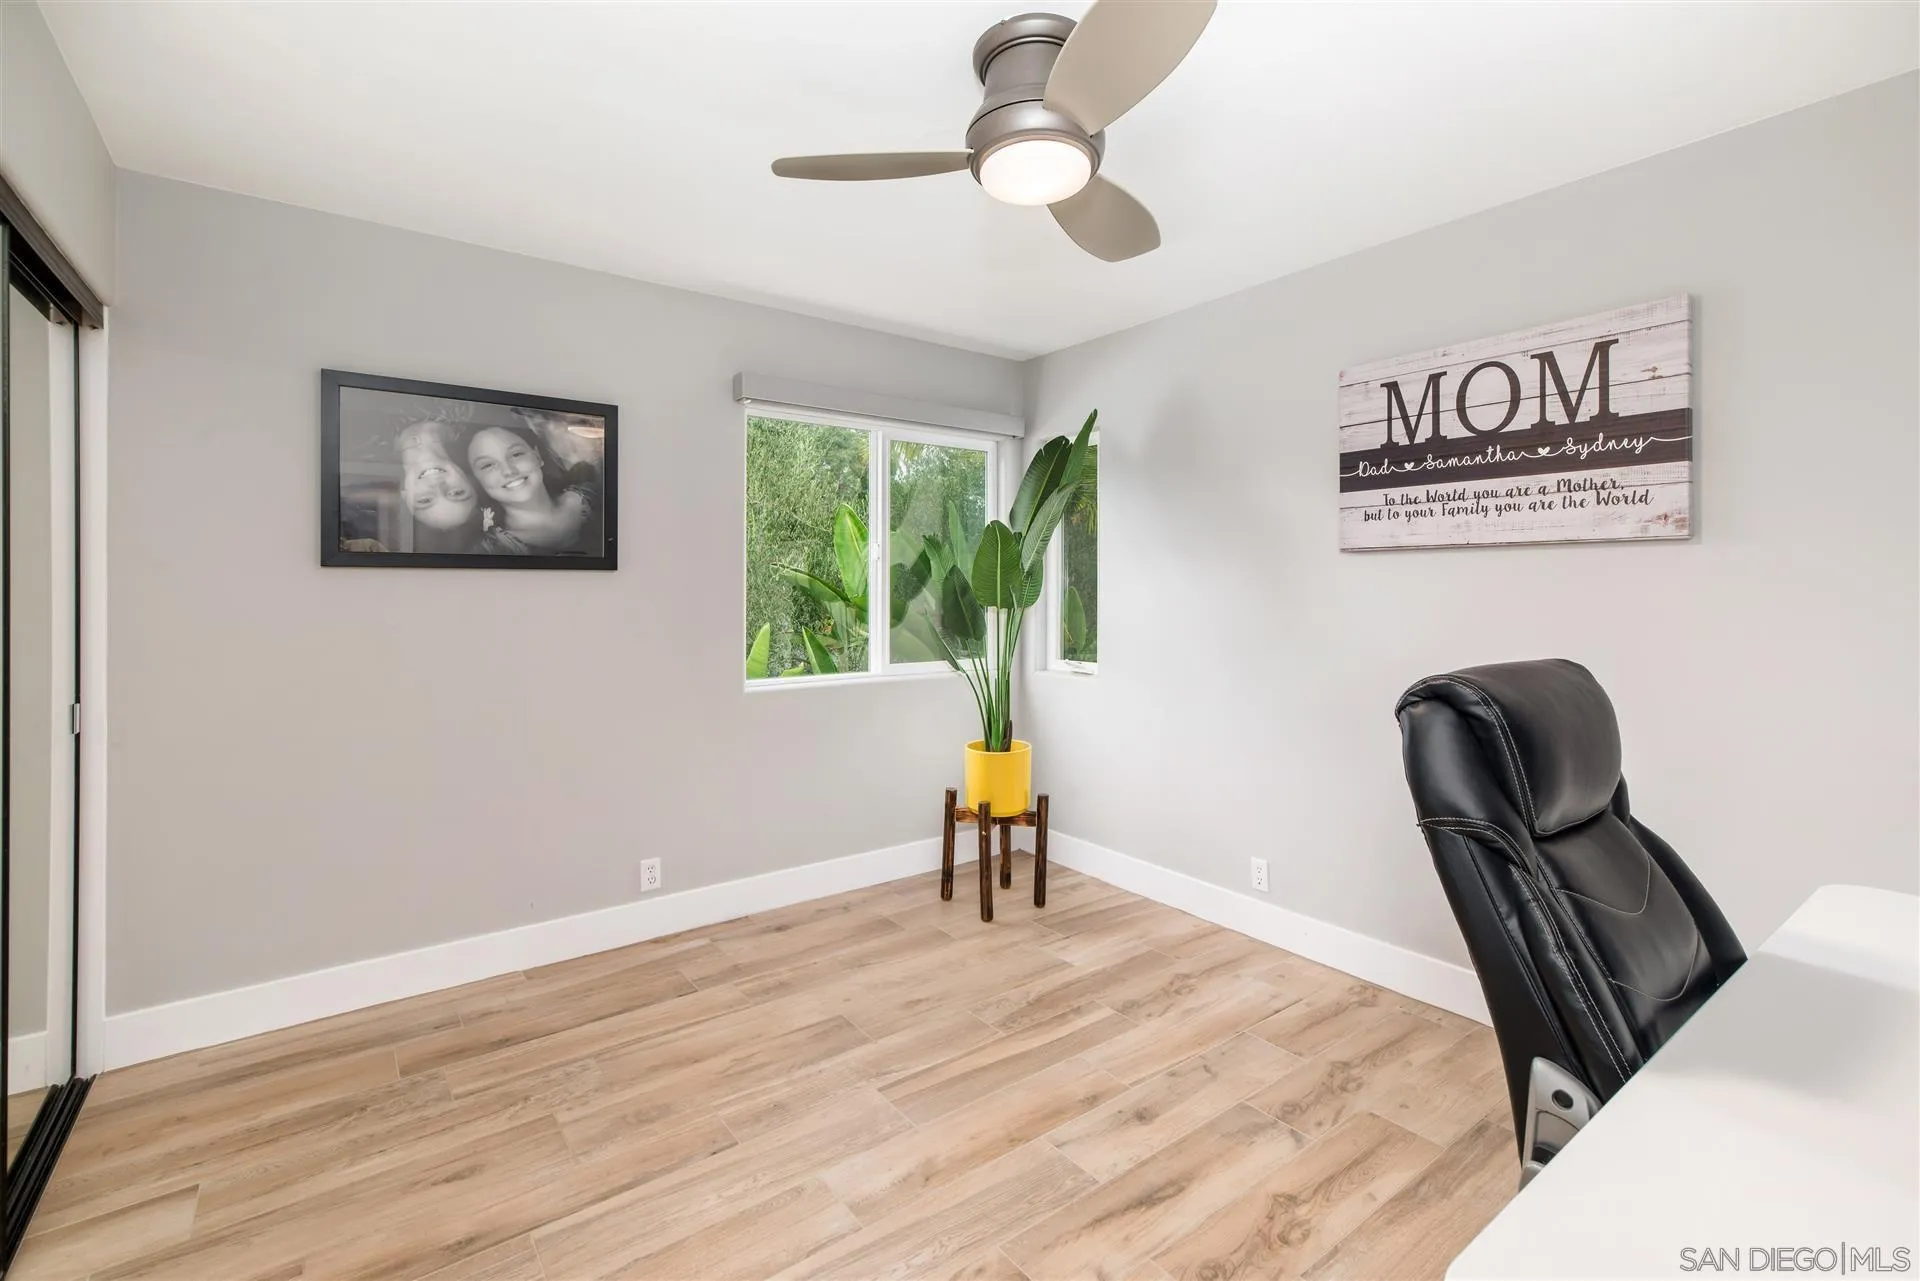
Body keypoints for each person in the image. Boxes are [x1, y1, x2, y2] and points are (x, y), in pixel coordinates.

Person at [466, 422, 602, 555]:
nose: (508, 471)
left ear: (537, 457)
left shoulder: (597, 495)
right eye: (488, 465)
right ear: (476, 480)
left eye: (516, 454)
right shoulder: (489, 551)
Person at [398, 420, 485, 552]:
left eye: (425, 500)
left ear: (405, 494)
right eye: (456, 493)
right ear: (470, 480)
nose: (436, 485)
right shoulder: (462, 420)